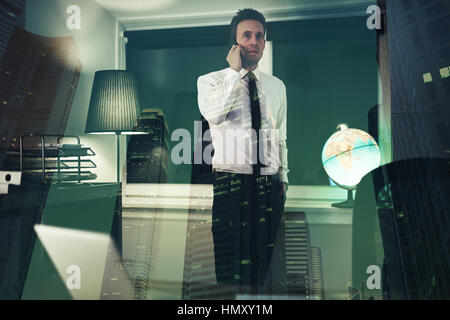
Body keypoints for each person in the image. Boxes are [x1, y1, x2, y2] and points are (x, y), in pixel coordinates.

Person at [197, 8, 288, 297]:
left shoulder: (276, 86)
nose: (254, 41)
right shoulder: (209, 81)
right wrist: (235, 73)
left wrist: (284, 179)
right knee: (230, 269)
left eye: (260, 36)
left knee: (265, 269)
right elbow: (215, 113)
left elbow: (280, 136)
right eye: (247, 35)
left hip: (269, 185)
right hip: (231, 184)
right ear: (235, 43)